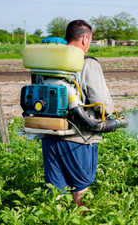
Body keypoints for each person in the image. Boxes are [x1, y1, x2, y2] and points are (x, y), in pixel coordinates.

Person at [41, 19, 113, 206]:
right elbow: (101, 103)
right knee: (81, 188)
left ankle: (54, 219)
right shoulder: (87, 63)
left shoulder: (47, 61)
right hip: (78, 137)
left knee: (55, 190)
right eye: (89, 40)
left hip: (50, 134)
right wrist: (110, 114)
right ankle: (80, 218)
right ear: (85, 38)